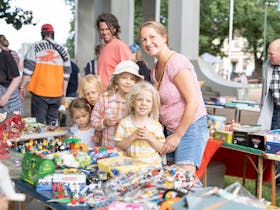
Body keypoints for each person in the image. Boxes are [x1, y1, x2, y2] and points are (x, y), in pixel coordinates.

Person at [139, 21, 209, 174]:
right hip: (170, 130)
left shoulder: (176, 62)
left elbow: (193, 101)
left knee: (183, 182)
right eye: (144, 39)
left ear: (164, 38)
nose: (148, 43)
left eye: (152, 37)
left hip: (189, 128)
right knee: (170, 181)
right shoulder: (155, 69)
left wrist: (177, 136)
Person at [19, 23, 72, 125]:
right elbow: (67, 73)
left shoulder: (35, 46)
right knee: (52, 122)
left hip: (39, 91)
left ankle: (39, 140)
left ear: (42, 34)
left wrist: (22, 86)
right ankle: (52, 140)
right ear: (53, 34)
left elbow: (28, 69)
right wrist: (63, 92)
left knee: (37, 123)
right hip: (56, 92)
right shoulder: (62, 49)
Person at [91, 60, 143, 147]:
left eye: (132, 79)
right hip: (110, 148)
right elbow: (93, 120)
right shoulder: (105, 98)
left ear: (136, 82)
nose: (128, 82)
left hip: (131, 150)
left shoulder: (138, 101)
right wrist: (104, 122)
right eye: (124, 78)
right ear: (116, 80)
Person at [114, 81, 165, 167]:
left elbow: (161, 149)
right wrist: (132, 137)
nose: (143, 103)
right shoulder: (125, 123)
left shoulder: (156, 126)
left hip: (152, 168)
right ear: (133, 102)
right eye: (139, 99)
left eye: (148, 101)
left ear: (152, 105)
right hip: (131, 169)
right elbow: (119, 146)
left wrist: (150, 138)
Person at [96, 13, 132, 88]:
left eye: (107, 29)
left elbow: (128, 72)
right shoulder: (103, 48)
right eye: (102, 29)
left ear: (115, 29)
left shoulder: (120, 46)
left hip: (114, 94)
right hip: (103, 94)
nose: (104, 32)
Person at [258, 39, 280, 130]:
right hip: (275, 110)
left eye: (271, 54)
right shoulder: (268, 65)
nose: (268, 56)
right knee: (273, 138)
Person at [0, 45, 24, 115]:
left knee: (10, 123)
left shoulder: (6, 56)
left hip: (7, 97)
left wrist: (5, 96)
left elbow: (17, 78)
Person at [59, 60, 81, 126]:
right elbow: (79, 78)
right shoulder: (75, 65)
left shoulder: (62, 65)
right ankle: (75, 121)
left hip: (63, 91)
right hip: (73, 90)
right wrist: (78, 89)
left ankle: (63, 122)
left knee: (62, 107)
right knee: (72, 107)